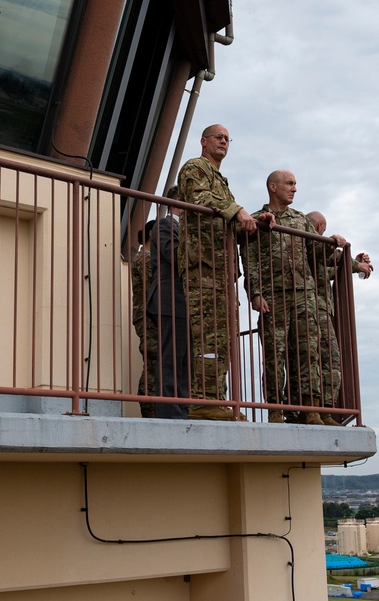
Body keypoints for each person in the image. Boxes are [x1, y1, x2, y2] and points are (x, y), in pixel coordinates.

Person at [243, 170, 346, 425]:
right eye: (289, 184)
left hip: (304, 296)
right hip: (273, 297)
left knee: (308, 353)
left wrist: (333, 243)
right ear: (273, 187)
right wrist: (254, 293)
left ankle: (311, 410)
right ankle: (276, 411)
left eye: (295, 184)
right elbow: (250, 258)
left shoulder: (301, 221)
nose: (294, 189)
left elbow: (318, 254)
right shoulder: (256, 220)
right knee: (274, 355)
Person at [177, 124, 261, 420]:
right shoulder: (195, 167)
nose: (224, 142)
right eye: (219, 137)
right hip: (203, 266)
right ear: (203, 141)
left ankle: (217, 400)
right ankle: (204, 402)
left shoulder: (221, 181)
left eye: (228, 139)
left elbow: (229, 221)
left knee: (223, 338)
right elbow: (199, 199)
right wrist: (237, 210)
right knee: (208, 335)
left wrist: (256, 220)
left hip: (222, 271)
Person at [300, 210, 372, 425]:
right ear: (320, 227)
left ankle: (322, 411)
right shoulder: (308, 245)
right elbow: (331, 258)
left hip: (315, 311)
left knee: (317, 360)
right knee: (326, 360)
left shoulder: (307, 252)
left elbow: (331, 268)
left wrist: (354, 262)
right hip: (316, 311)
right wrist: (357, 264)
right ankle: (320, 410)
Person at [148, 186, 189, 418]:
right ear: (176, 203)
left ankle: (181, 407)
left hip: (180, 300)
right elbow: (173, 254)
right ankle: (168, 409)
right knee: (171, 355)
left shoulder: (180, 228)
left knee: (183, 357)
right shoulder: (164, 225)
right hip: (169, 299)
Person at [130, 222, 158, 418]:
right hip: (147, 317)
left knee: (156, 361)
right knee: (153, 360)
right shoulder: (145, 258)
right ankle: (148, 408)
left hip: (150, 315)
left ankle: (153, 406)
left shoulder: (148, 257)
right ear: (151, 234)